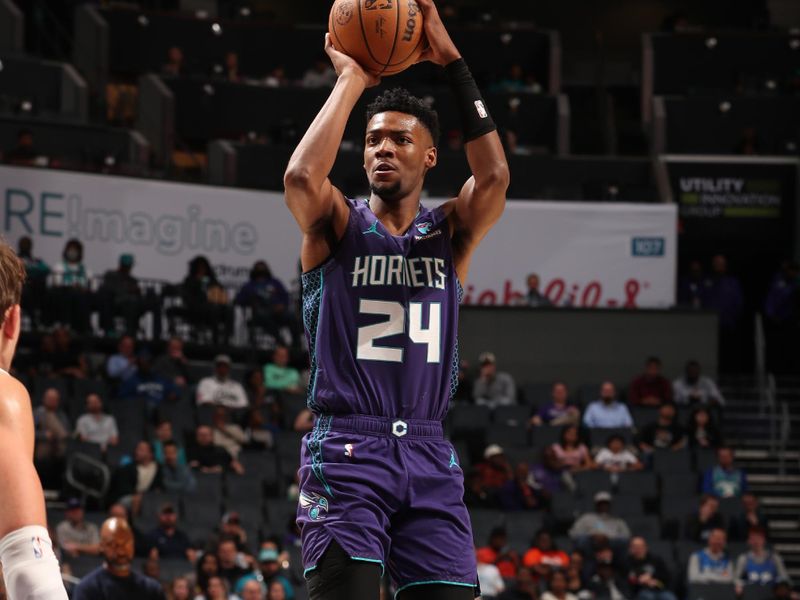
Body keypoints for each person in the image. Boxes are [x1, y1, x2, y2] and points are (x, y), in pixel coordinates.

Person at [283, 1, 510, 596]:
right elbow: (302, 179)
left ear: (429, 156)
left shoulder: (449, 233)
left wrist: (454, 61)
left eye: (400, 140)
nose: (383, 148)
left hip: (431, 455)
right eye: (374, 140)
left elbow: (494, 180)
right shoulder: (336, 225)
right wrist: (353, 80)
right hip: (349, 451)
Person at [73, 517, 165, 599]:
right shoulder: (87, 589)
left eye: (126, 543)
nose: (121, 551)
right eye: (113, 544)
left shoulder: (152, 590)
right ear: (101, 546)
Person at [235, 261, 296, 347]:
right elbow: (239, 300)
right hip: (260, 314)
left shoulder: (275, 282)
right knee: (264, 316)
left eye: (263, 268)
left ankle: (296, 345)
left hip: (277, 311)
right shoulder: (249, 285)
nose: (261, 271)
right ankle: (280, 342)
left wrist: (282, 305)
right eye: (258, 269)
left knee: (291, 317)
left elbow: (285, 297)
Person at [98, 254, 159, 338]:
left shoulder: (132, 280)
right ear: (122, 265)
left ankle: (154, 334)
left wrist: (138, 292)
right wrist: (128, 290)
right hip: (115, 303)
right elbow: (110, 289)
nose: (129, 268)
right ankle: (128, 332)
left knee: (151, 298)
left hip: (133, 304)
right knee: (130, 303)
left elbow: (137, 295)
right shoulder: (111, 275)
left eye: (129, 266)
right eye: (127, 266)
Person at [51, 238, 93, 332]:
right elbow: (57, 283)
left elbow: (93, 287)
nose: (73, 252)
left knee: (84, 298)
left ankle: (84, 328)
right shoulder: (59, 266)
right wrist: (71, 287)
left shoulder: (86, 270)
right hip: (64, 296)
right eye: (71, 249)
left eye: (75, 250)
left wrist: (82, 288)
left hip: (82, 297)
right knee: (68, 294)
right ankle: (65, 324)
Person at [109, 441, 163, 509]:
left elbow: (159, 487)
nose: (137, 452)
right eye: (137, 449)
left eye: (141, 450)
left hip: (149, 497)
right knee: (137, 499)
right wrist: (138, 495)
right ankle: (136, 519)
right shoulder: (127, 468)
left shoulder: (158, 468)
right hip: (129, 497)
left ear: (150, 454)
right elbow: (123, 488)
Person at [734, 527, 790, 592]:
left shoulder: (775, 558)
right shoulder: (743, 558)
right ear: (748, 541)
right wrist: (741, 585)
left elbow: (785, 579)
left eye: (759, 538)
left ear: (764, 539)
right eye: (753, 539)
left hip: (771, 594)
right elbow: (735, 579)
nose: (756, 541)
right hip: (751, 594)